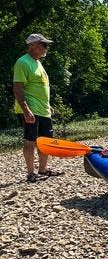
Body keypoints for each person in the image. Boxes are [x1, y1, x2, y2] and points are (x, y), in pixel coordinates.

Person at [13, 33, 63, 183]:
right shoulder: (23, 62)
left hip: (43, 110)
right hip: (30, 109)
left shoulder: (38, 62)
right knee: (30, 140)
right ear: (32, 45)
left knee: (45, 141)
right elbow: (18, 88)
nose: (45, 48)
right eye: (43, 45)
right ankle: (30, 173)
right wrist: (25, 109)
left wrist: (48, 105)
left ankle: (43, 169)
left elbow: (39, 87)